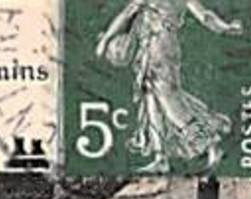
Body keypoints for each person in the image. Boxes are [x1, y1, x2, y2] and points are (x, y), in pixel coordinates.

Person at [95, 0, 243, 173]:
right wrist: (226, 28)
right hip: (159, 48)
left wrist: (105, 40)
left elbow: (126, 14)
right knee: (152, 102)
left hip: (158, 48)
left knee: (171, 105)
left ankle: (210, 143)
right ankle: (160, 158)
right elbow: (205, 17)